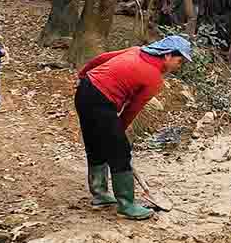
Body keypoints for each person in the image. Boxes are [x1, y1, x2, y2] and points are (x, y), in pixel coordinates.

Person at [74, 36, 192, 220]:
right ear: (167, 55)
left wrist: (83, 75)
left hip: (84, 91)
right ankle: (127, 204)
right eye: (180, 60)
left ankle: (100, 195)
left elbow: (102, 58)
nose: (180, 64)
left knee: (95, 143)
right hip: (101, 102)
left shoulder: (136, 50)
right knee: (120, 151)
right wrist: (118, 132)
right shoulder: (153, 77)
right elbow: (132, 109)